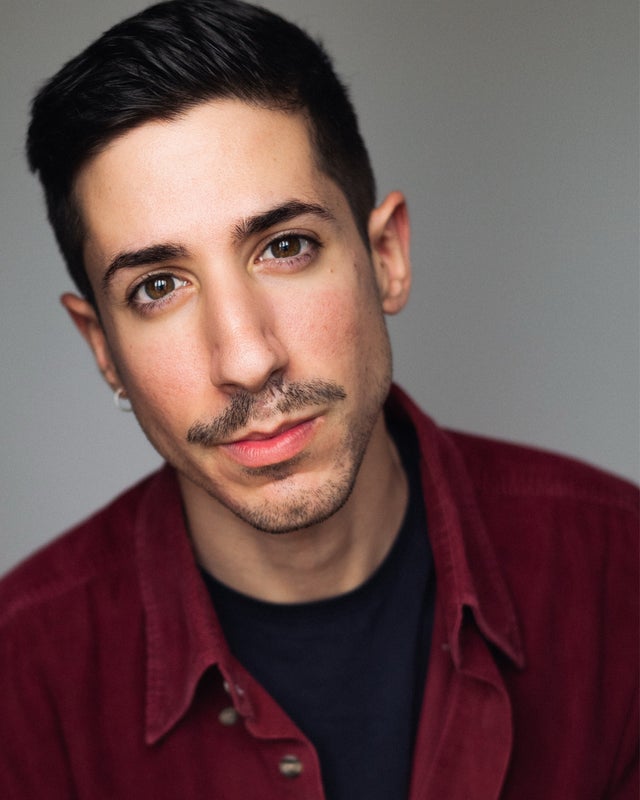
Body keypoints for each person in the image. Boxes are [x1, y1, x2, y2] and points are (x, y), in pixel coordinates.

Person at [0, 0, 637, 797]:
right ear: (104, 349)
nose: (246, 359)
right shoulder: (19, 684)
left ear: (386, 257)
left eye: (286, 246)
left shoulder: (621, 577)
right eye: (159, 287)